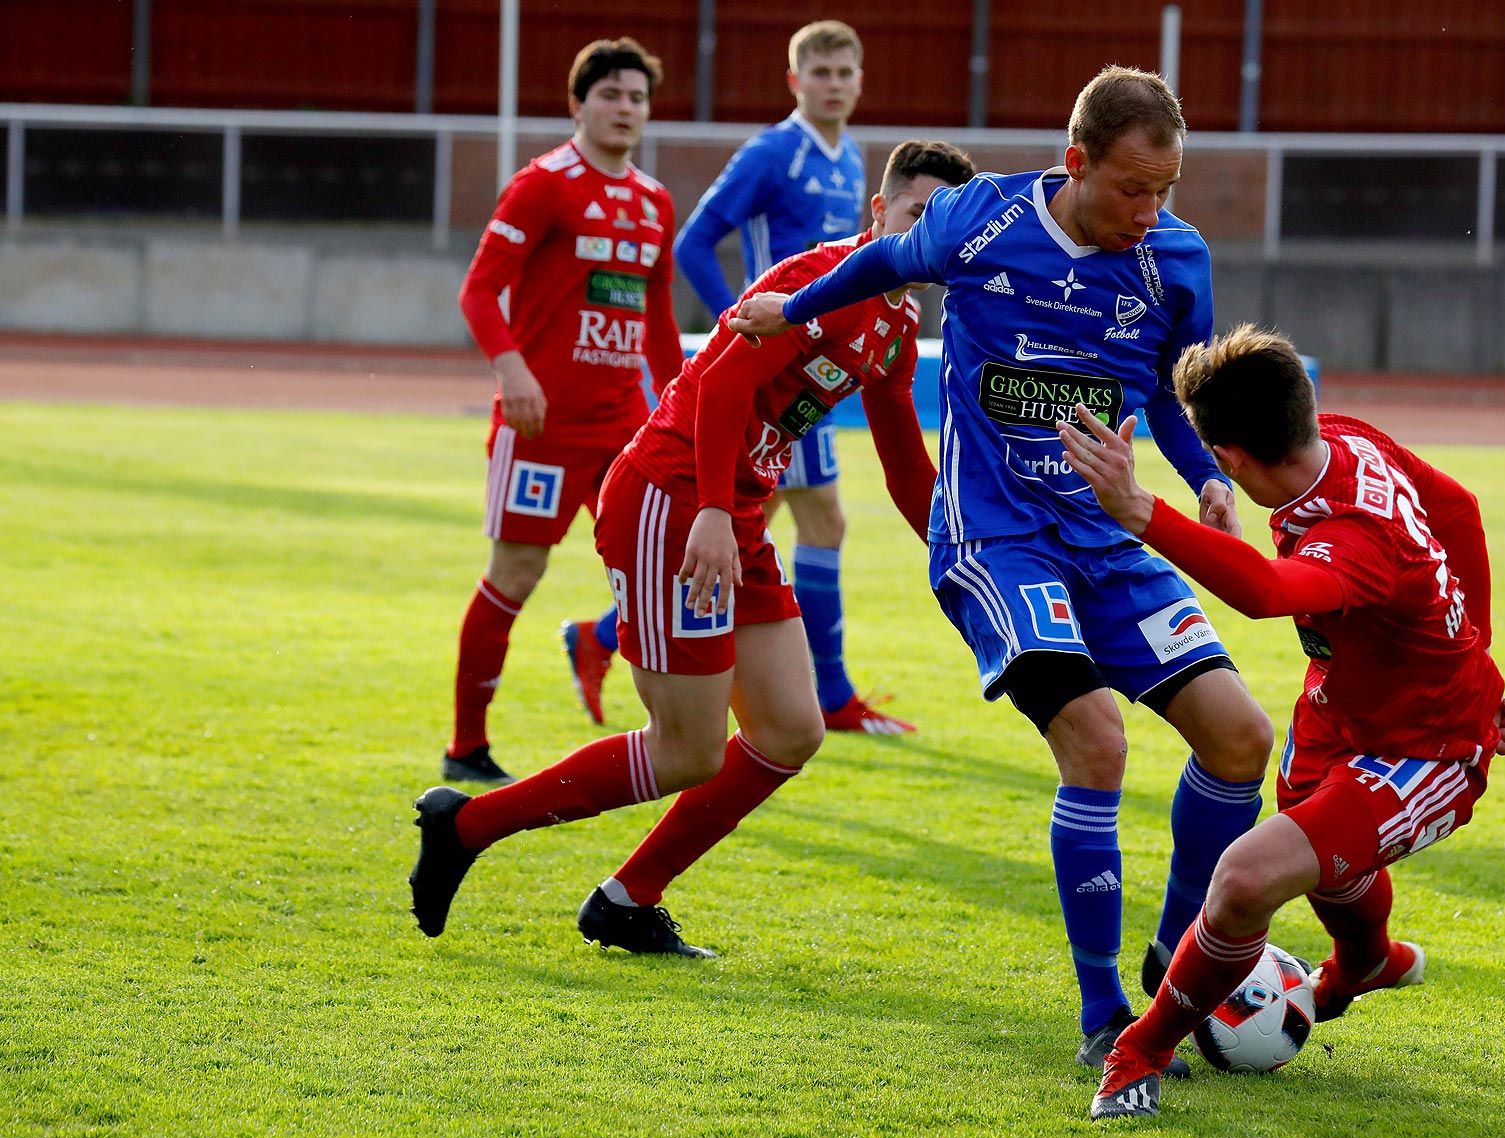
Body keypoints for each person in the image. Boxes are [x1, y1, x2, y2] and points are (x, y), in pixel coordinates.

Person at [730, 67, 1276, 1076]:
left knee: (1243, 738)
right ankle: (1106, 1009)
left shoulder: (1176, 259)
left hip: (1109, 537)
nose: (1149, 212)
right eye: (1131, 190)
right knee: (1099, 741)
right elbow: (886, 258)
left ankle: (1174, 957)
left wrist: (1202, 477)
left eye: (1166, 190)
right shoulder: (982, 221)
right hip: (995, 537)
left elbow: (1164, 395)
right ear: (1076, 163)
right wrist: (795, 312)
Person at [408, 141, 976, 956]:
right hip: (670, 500)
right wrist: (713, 509)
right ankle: (467, 825)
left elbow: (904, 466)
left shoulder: (895, 318)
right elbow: (721, 384)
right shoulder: (819, 283)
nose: (932, 232)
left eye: (947, 223)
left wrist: (960, 552)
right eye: (919, 212)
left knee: (790, 731)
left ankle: (627, 899)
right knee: (688, 751)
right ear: (878, 214)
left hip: (732, 512)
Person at [1059, 324, 1505, 1120]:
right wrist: (1476, 655)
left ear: (1236, 460)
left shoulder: (1356, 539)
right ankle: (1366, 961)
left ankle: (1139, 1047)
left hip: (1424, 750)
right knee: (1311, 836)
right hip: (1340, 703)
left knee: (1247, 879)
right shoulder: (1343, 437)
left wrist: (1142, 509)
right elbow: (1458, 507)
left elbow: (1265, 594)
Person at [563, 20, 912, 736]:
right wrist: (743, 330)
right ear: (795, 82)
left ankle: (596, 637)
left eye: (847, 73)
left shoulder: (852, 162)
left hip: (816, 370)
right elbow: (695, 240)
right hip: (776, 367)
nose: (835, 85)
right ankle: (834, 692)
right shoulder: (774, 152)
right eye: (821, 74)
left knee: (768, 515)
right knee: (818, 519)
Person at [446, 37, 682, 785]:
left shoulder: (653, 201)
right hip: (541, 427)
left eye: (637, 97)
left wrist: (683, 409)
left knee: (660, 570)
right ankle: (465, 747)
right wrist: (512, 371)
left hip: (625, 430)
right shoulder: (543, 184)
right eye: (610, 94)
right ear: (577, 104)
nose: (625, 109)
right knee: (516, 572)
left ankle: (678, 736)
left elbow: (658, 325)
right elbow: (478, 291)